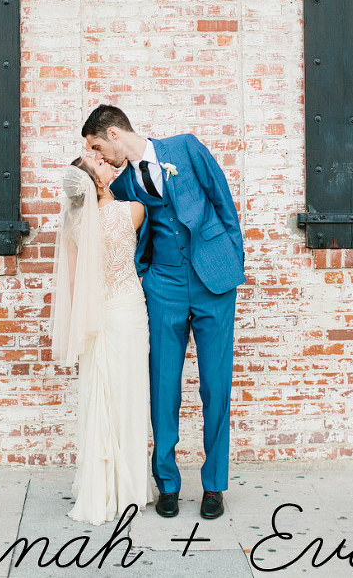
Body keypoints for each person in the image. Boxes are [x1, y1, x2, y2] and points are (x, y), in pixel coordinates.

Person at [82, 105, 244, 520]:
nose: (98, 154)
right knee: (163, 387)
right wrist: (142, 278)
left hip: (213, 282)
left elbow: (224, 203)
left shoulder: (186, 149)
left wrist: (233, 258)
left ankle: (213, 486)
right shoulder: (123, 183)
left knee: (216, 386)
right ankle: (167, 484)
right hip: (164, 286)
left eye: (98, 145)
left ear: (115, 134)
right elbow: (112, 230)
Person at [50, 155, 151, 525]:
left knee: (99, 394)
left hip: (95, 315)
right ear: (98, 183)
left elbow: (75, 283)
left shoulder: (72, 221)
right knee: (129, 395)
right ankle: (131, 488)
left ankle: (101, 484)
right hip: (126, 310)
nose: (108, 163)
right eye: (102, 165)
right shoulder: (133, 212)